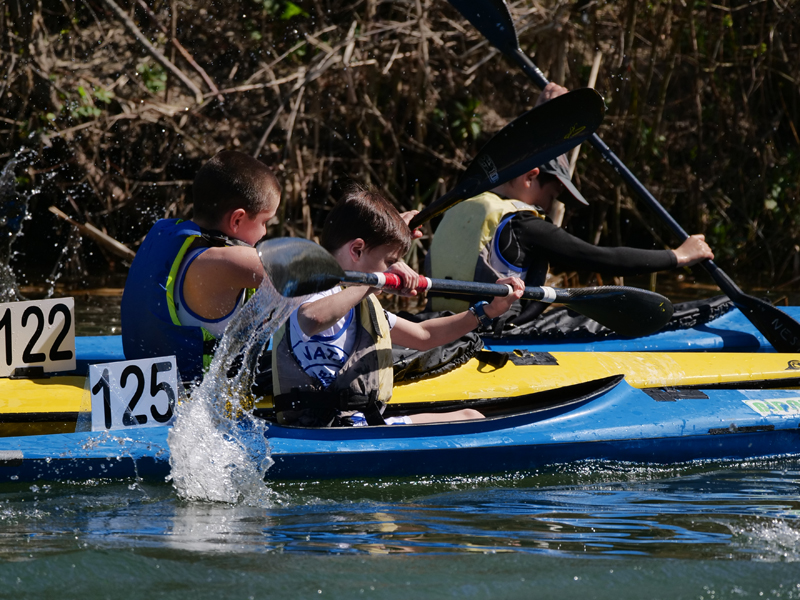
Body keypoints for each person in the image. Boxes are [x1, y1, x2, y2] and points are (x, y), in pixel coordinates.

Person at [426, 83, 714, 328]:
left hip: (444, 324)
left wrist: (546, 118)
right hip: (497, 329)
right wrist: (678, 256)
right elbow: (600, 258)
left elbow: (512, 152)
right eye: (553, 195)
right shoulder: (524, 225)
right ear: (530, 177)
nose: (551, 206)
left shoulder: (458, 207)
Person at [271, 186, 524, 427]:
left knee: (471, 417)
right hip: (322, 432)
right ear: (357, 250)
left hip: (358, 425)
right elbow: (312, 318)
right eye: (389, 261)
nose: (393, 269)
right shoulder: (311, 286)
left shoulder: (360, 303)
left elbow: (424, 336)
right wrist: (374, 282)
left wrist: (486, 311)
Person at [121, 150, 280, 382]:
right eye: (264, 222)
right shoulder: (227, 262)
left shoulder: (170, 239)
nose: (265, 232)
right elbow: (303, 271)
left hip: (147, 383)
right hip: (195, 399)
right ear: (237, 219)